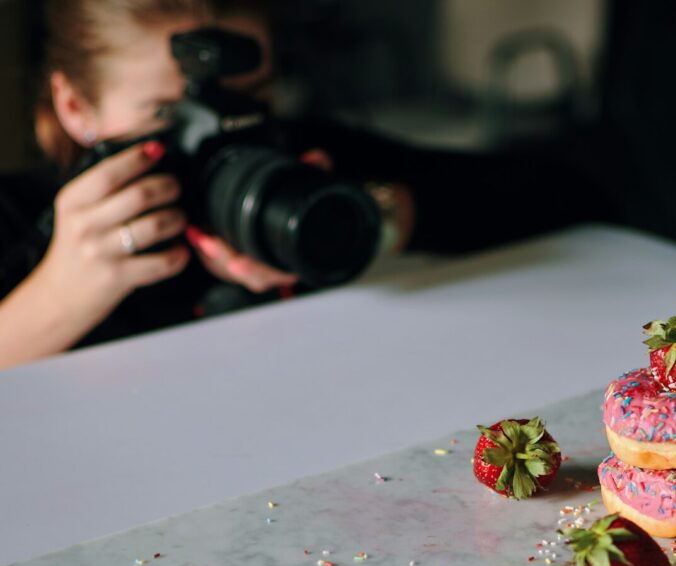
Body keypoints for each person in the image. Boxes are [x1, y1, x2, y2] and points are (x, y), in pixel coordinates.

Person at [0, 0, 612, 370]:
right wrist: (58, 293)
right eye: (169, 116)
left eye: (252, 100)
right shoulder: (20, 214)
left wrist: (377, 220)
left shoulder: (305, 156)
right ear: (75, 106)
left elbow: (564, 193)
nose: (222, 137)